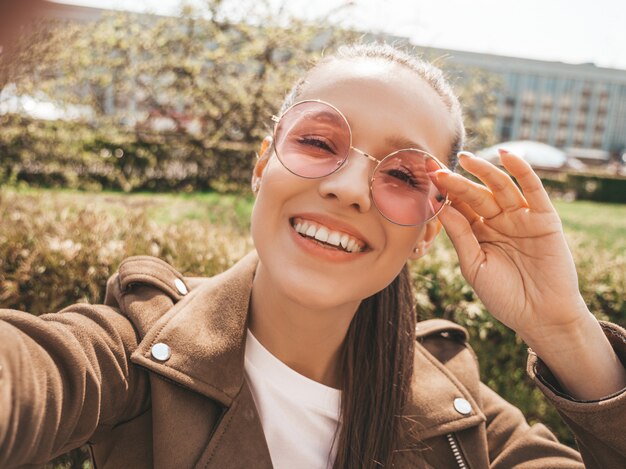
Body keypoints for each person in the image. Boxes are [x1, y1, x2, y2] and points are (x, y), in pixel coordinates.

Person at [1, 43, 625, 469]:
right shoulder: (135, 348)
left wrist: (564, 328)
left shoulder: (455, 408)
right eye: (319, 142)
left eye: (404, 177)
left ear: (429, 230)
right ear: (261, 166)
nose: (349, 188)